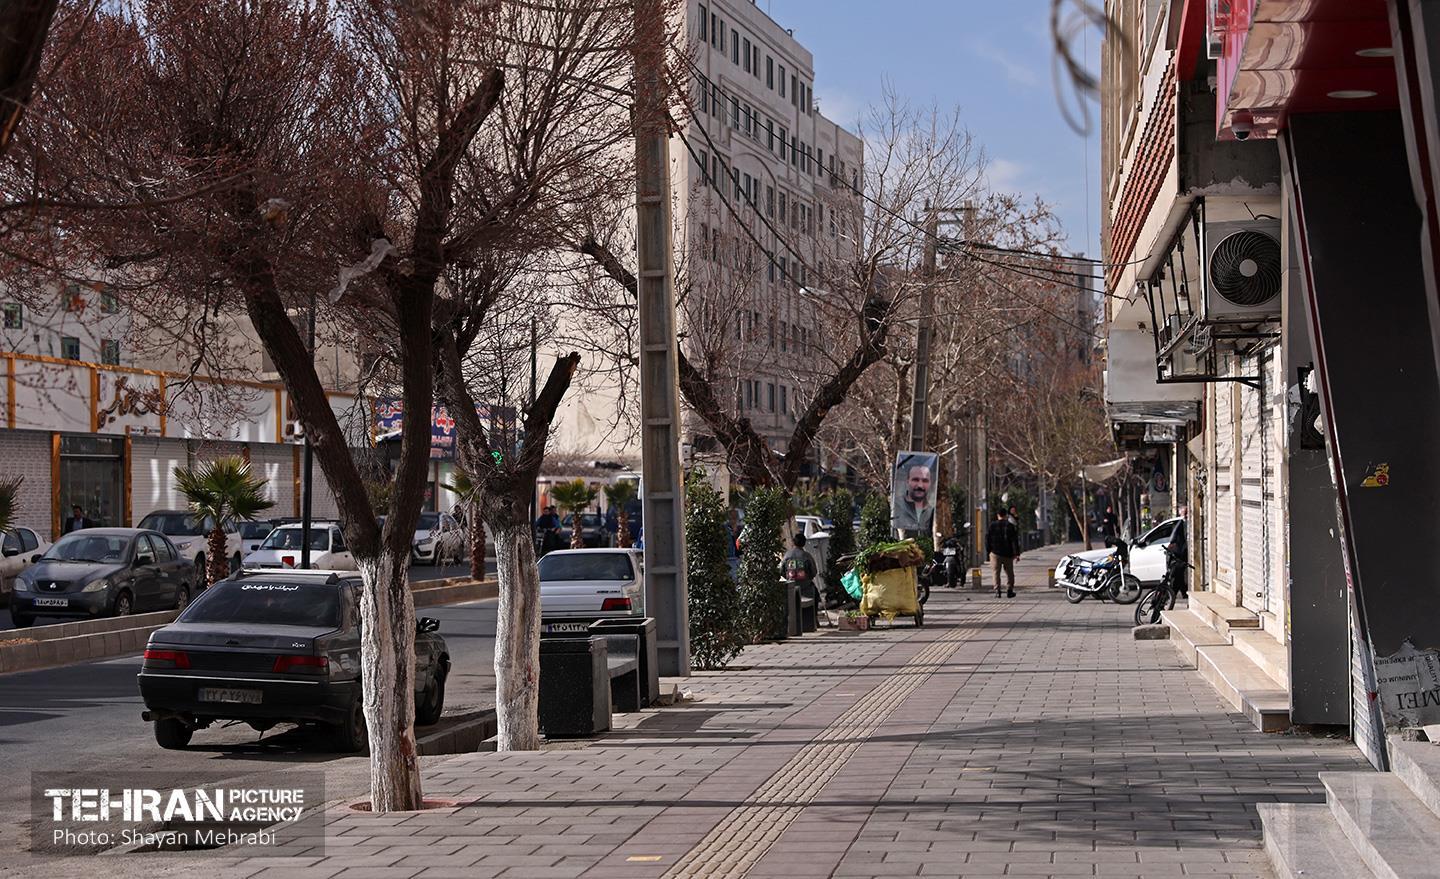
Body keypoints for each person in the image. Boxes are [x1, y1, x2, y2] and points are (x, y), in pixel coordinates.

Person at [985, 509, 1020, 598]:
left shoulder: (992, 526)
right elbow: (1014, 541)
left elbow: (987, 539)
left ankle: (997, 590)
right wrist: (1016, 553)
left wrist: (989, 551)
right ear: (1006, 515)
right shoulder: (1010, 526)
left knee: (996, 572)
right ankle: (1009, 590)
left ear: (998, 515)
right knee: (1009, 573)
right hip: (1008, 553)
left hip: (995, 553)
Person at [892, 462, 935, 533]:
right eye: (915, 480)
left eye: (925, 481)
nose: (920, 485)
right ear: (907, 481)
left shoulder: (934, 511)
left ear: (930, 483)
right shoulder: (895, 507)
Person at [782, 533, 819, 604]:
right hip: (806, 587)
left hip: (791, 587)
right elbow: (813, 572)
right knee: (816, 595)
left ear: (793, 542)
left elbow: (782, 571)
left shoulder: (787, 555)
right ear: (804, 543)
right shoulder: (807, 556)